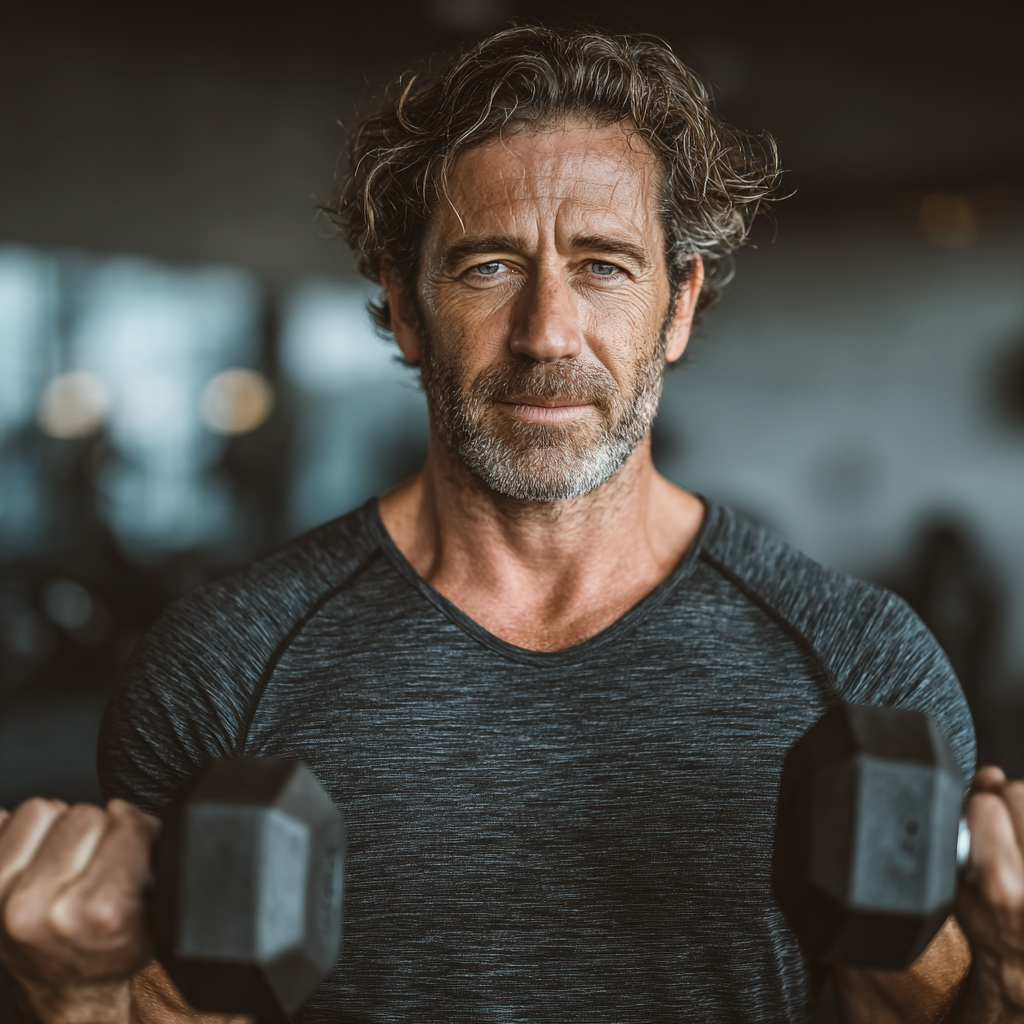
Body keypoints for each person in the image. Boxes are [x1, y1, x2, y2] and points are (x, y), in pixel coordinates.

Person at [1, 25, 1023, 1024]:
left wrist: (1013, 974)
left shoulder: (860, 667)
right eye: (487, 265)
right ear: (405, 304)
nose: (546, 332)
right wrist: (70, 992)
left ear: (677, 304)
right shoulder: (220, 667)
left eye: (603, 266)